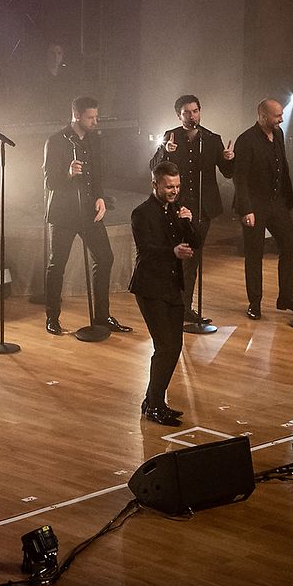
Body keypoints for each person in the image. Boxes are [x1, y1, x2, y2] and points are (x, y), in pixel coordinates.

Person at [42, 96, 132, 335]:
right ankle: (52, 317)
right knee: (56, 265)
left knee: (105, 258)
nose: (95, 121)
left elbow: (98, 174)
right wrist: (68, 173)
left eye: (96, 116)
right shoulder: (55, 141)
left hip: (89, 211)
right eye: (90, 117)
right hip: (63, 214)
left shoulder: (94, 139)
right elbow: (49, 181)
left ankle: (102, 315)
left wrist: (100, 197)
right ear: (76, 115)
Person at [149, 94, 235, 322]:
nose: (192, 115)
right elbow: (153, 168)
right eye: (186, 112)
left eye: (195, 111)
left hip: (202, 208)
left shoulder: (211, 139)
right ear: (179, 115)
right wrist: (165, 150)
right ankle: (172, 303)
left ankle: (184, 308)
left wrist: (228, 158)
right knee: (177, 256)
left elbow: (228, 171)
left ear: (200, 111)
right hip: (174, 206)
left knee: (192, 257)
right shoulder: (170, 136)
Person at [129, 162, 195, 427]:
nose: (174, 191)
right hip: (149, 287)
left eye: (177, 186)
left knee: (174, 346)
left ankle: (152, 400)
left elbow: (196, 242)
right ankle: (155, 405)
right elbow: (146, 250)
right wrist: (173, 252)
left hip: (171, 287)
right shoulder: (141, 214)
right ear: (154, 184)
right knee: (165, 346)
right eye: (169, 186)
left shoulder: (177, 211)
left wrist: (188, 224)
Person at [232, 98, 293, 320]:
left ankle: (286, 297)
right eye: (277, 116)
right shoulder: (246, 140)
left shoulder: (279, 135)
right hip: (254, 206)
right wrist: (246, 209)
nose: (281, 119)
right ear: (263, 116)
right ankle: (254, 302)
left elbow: (281, 166)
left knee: (291, 246)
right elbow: (240, 178)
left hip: (277, 203)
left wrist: (287, 199)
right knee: (254, 254)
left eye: (282, 114)